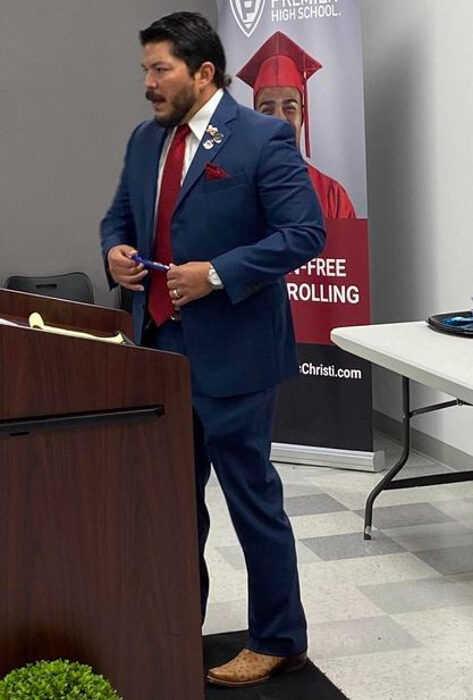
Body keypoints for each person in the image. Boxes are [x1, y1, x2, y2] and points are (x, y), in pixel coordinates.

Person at [100, 12, 325, 688]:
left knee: (250, 498)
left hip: (235, 355)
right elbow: (120, 217)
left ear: (202, 73)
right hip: (158, 350)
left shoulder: (263, 138)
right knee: (172, 503)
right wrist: (113, 254)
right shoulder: (146, 140)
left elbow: (304, 233)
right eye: (144, 69)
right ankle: (174, 621)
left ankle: (279, 637)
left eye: (159, 69)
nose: (148, 83)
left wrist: (218, 272)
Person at [237, 31, 356, 219]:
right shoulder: (236, 196)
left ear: (303, 115)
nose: (279, 120)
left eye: (289, 108)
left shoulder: (332, 196)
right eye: (267, 110)